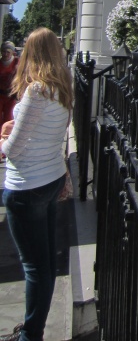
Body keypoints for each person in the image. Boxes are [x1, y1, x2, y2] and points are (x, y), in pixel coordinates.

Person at [0, 28, 73, 341]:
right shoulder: (62, 90)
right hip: (50, 178)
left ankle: (30, 333)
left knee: (34, 267)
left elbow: (12, 149)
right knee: (44, 265)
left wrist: (3, 137)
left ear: (30, 52)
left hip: (26, 186)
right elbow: (52, 133)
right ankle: (34, 329)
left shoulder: (36, 91)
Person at [0, 40, 19, 135]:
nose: (5, 54)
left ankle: (5, 139)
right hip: (0, 95)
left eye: (8, 51)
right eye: (3, 51)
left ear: (12, 52)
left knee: (8, 119)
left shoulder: (17, 63)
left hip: (11, 96)